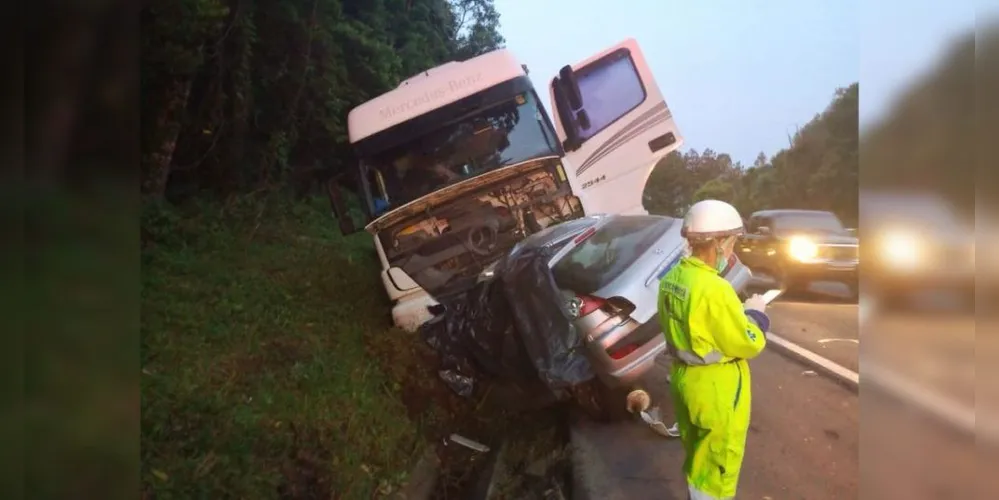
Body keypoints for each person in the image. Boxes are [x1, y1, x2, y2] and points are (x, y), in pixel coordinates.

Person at [657, 199, 769, 500]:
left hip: (685, 381)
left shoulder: (672, 279)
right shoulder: (715, 289)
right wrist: (756, 314)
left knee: (698, 457)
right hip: (716, 390)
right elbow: (746, 342)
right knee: (719, 466)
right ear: (719, 243)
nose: (732, 249)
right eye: (731, 242)